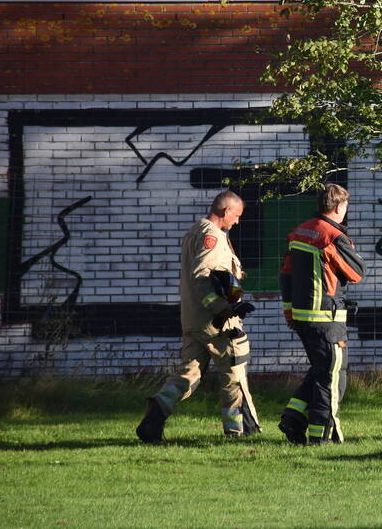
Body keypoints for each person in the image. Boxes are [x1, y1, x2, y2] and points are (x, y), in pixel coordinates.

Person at [136, 190, 261, 442]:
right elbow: (202, 277)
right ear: (226, 211)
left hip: (193, 321)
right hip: (215, 324)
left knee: (188, 374)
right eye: (236, 216)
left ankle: (154, 418)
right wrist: (224, 309)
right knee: (234, 374)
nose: (237, 222)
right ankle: (241, 431)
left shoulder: (194, 231)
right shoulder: (211, 235)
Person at [277, 183, 365, 445]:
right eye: (346, 206)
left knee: (320, 370)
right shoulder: (331, 236)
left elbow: (285, 275)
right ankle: (323, 436)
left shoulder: (300, 232)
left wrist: (289, 311)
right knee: (333, 377)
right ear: (338, 207)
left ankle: (293, 418)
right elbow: (357, 273)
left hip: (303, 317)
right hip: (327, 319)